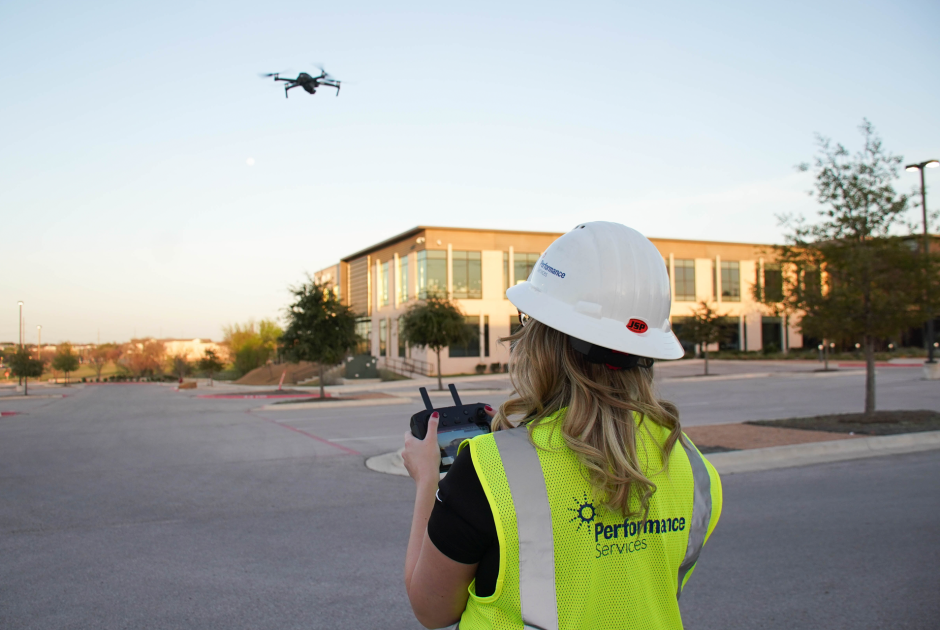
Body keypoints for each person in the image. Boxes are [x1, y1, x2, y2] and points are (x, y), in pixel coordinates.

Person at [403, 221, 723, 630]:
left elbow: (431, 609)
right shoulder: (696, 470)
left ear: (545, 340)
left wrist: (427, 481)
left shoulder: (486, 469)